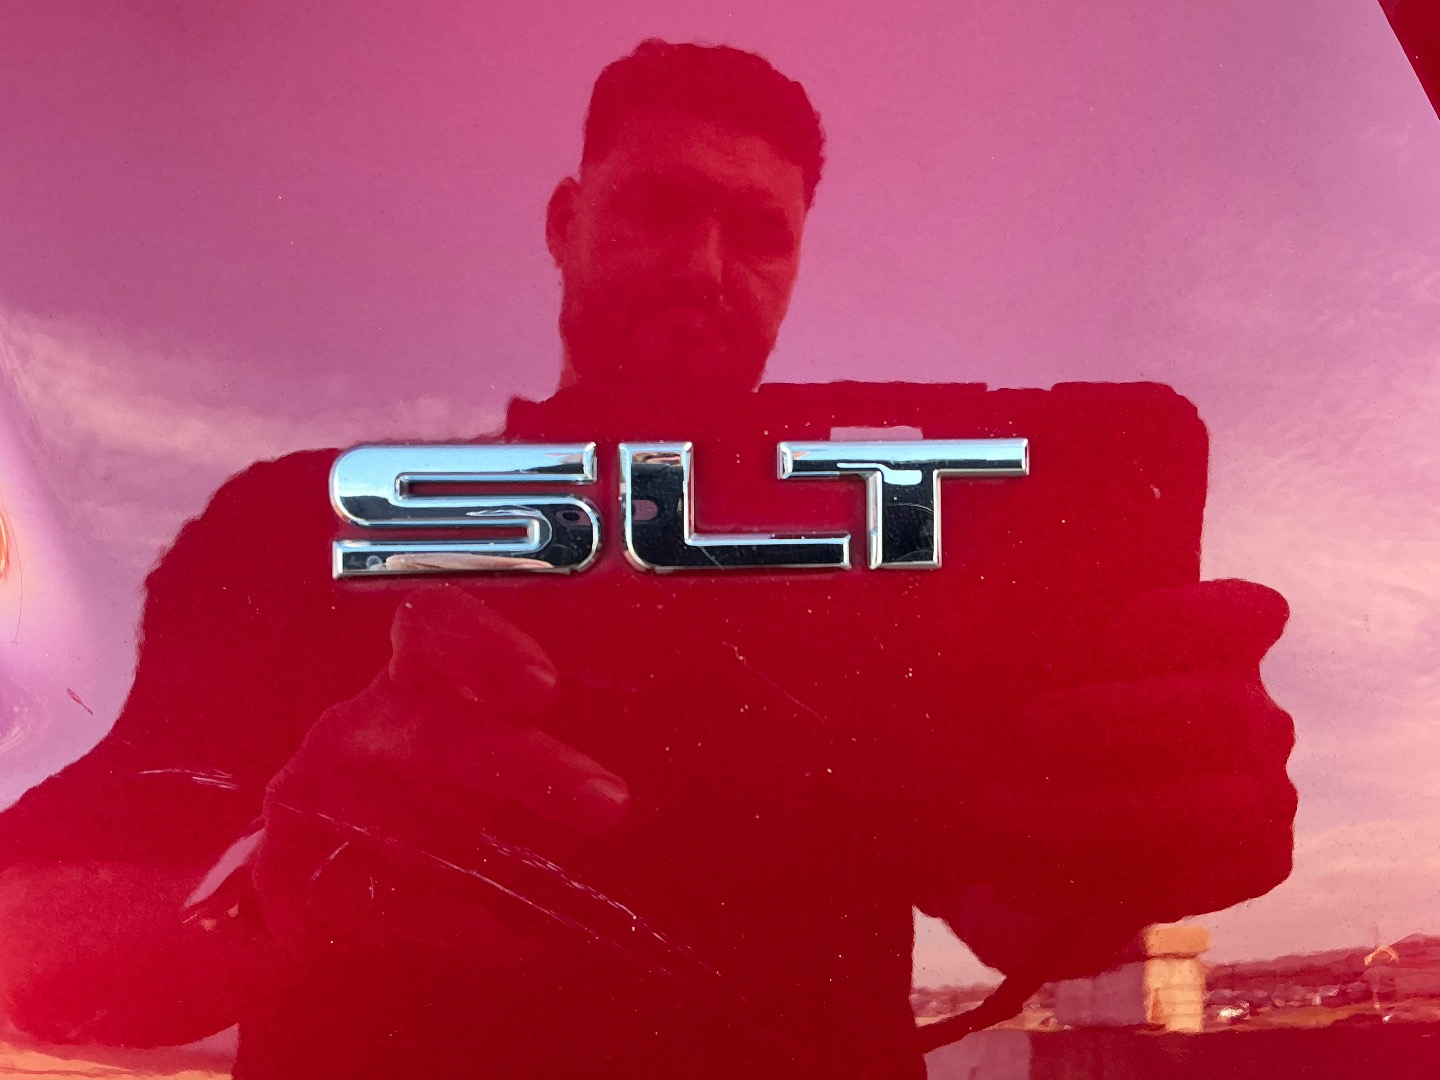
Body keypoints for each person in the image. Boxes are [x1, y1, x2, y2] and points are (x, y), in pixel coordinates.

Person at [0, 40, 1296, 1079]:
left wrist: (1139, 823)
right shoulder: (306, 526)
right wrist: (270, 895)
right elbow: (30, 936)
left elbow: (1013, 912)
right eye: (658, 207)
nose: (704, 266)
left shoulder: (882, 551)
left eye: (760, 231)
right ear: (566, 222)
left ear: (798, 266)